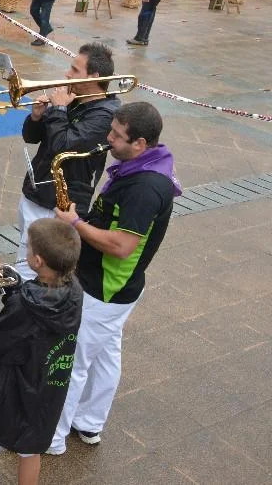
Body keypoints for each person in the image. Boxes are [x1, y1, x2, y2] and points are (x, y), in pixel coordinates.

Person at [48, 102, 180, 454]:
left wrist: (76, 224)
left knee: (73, 361)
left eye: (117, 136)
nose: (108, 139)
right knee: (106, 355)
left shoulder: (144, 188)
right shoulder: (147, 165)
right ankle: (90, 423)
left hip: (105, 288)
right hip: (119, 288)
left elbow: (121, 246)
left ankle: (53, 437)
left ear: (140, 143)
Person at [0, 218, 83, 485]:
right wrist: (11, 284)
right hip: (44, 392)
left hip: (4, 392)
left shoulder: (26, 307)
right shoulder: (74, 291)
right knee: (31, 449)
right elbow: (32, 308)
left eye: (28, 247)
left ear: (37, 261)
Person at [15, 43, 119, 282]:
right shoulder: (74, 99)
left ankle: (23, 300)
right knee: (25, 254)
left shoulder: (104, 115)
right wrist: (36, 117)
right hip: (37, 190)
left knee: (32, 268)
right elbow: (32, 137)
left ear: (94, 76)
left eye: (74, 69)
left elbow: (63, 145)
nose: (67, 74)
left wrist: (59, 109)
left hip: (58, 202)